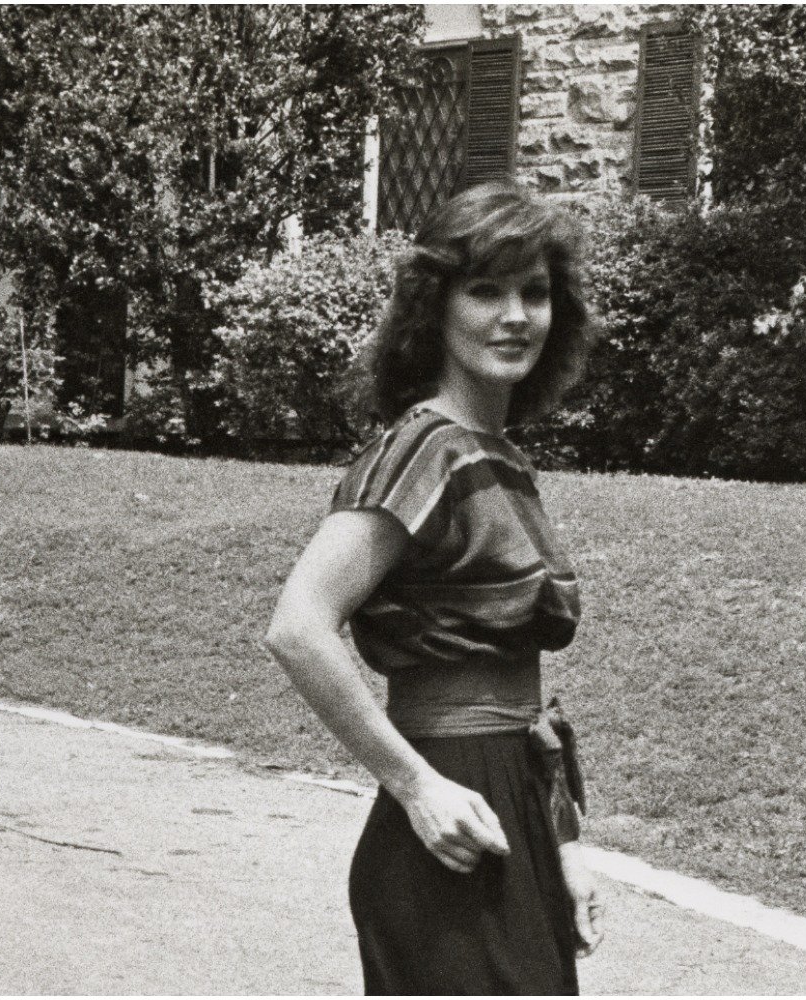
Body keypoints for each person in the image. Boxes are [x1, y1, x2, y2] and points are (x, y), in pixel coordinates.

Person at [262, 183, 602, 995]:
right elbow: (299, 626)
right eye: (485, 290)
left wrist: (566, 848)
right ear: (436, 310)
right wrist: (415, 785)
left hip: (510, 799)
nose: (515, 315)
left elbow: (526, 702)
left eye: (535, 292)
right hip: (450, 811)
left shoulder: (499, 458)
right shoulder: (427, 450)